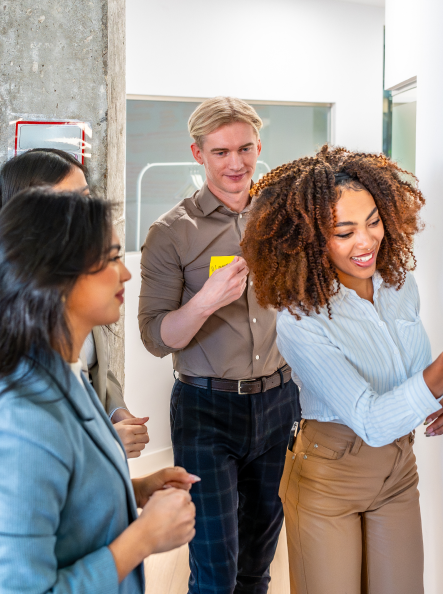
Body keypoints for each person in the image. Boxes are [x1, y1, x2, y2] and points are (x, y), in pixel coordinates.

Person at [240, 145, 443, 594]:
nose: (366, 242)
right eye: (344, 232)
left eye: (373, 222)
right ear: (309, 238)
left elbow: (406, 362)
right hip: (329, 477)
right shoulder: (300, 318)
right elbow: (368, 419)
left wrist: (435, 391)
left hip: (398, 469)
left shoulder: (399, 284)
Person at [0, 188, 197, 593]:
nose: (126, 273)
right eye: (112, 259)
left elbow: (55, 504)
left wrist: (131, 493)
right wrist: (144, 538)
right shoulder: (18, 423)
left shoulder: (67, 374)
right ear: (53, 274)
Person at [138, 97, 300, 594]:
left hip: (278, 403)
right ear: (198, 153)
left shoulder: (281, 220)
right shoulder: (171, 233)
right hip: (206, 410)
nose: (236, 163)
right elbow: (154, 337)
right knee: (214, 567)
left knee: (258, 561)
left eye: (246, 149)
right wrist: (206, 301)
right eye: (221, 151)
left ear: (258, 146)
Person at [0, 148, 149, 458]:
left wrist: (115, 410)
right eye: (71, 201)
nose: (126, 274)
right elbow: (26, 448)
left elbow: (93, 367)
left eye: (86, 198)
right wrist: (104, 439)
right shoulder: (9, 307)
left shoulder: (72, 280)